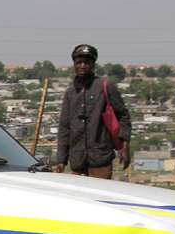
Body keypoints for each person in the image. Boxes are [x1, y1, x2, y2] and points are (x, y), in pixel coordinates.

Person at [54, 44, 131, 179]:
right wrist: (61, 160)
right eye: (79, 62)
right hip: (77, 160)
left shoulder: (104, 87)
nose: (83, 66)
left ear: (93, 65)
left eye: (87, 62)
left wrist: (125, 149)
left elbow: (123, 117)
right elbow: (64, 126)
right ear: (74, 65)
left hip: (100, 158)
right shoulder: (70, 92)